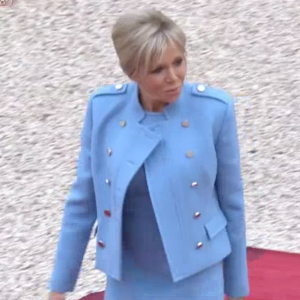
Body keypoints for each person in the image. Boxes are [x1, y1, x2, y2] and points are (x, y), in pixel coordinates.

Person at [48, 9, 249, 300]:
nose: (174, 77)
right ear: (133, 71)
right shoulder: (104, 109)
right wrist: (59, 287)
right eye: (158, 70)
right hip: (128, 276)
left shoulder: (215, 110)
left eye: (178, 62)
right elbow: (82, 202)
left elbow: (232, 202)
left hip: (197, 274)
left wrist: (238, 290)